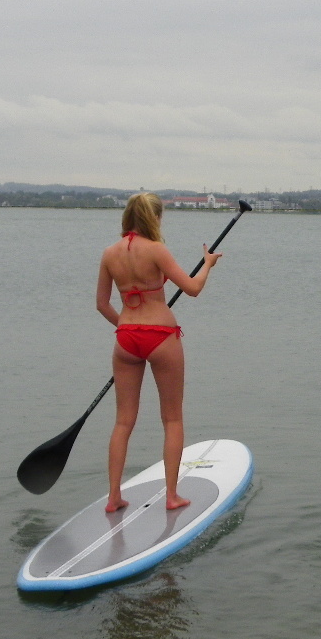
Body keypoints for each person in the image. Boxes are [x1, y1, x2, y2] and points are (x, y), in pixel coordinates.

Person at [95, 192, 222, 514]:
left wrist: (127, 326)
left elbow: (102, 304)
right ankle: (172, 496)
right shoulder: (156, 250)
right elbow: (192, 288)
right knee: (172, 418)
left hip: (126, 339)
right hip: (161, 337)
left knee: (123, 421)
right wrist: (207, 265)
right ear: (154, 218)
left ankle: (114, 497)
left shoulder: (109, 253)